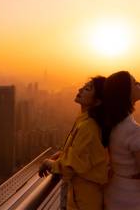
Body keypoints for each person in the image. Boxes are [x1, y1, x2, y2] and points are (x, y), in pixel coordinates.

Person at [39, 76, 108, 210]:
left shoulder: (88, 127)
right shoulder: (84, 120)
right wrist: (61, 154)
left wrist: (48, 162)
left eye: (87, 89)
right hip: (80, 197)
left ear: (97, 101)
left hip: (85, 202)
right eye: (83, 86)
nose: (80, 89)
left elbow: (69, 168)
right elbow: (78, 154)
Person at [103, 71, 140, 210]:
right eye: (135, 83)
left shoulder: (112, 125)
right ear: (126, 93)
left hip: (114, 191)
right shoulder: (134, 131)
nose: (139, 85)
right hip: (132, 199)